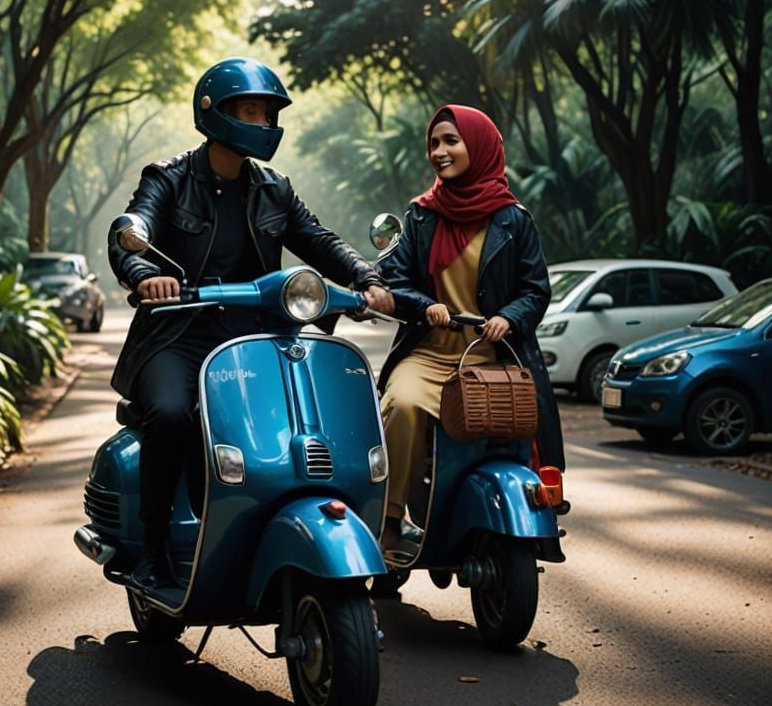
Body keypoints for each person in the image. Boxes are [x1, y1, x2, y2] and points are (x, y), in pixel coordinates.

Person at [108, 56, 394, 589]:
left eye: (268, 114)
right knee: (172, 414)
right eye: (251, 111)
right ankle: (151, 548)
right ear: (216, 114)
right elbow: (132, 228)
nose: (263, 124)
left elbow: (318, 239)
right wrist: (145, 274)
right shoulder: (168, 179)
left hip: (255, 339)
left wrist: (364, 277)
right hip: (178, 335)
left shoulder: (273, 188)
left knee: (294, 423)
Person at [376, 104, 564, 559]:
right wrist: (426, 305)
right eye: (434, 143)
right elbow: (396, 282)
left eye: (451, 141)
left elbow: (536, 289)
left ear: (478, 147)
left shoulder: (513, 219)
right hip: (430, 353)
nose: (440, 151)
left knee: (512, 429)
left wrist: (511, 317)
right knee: (399, 406)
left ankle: (509, 511)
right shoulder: (420, 216)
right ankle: (390, 518)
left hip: (492, 356)